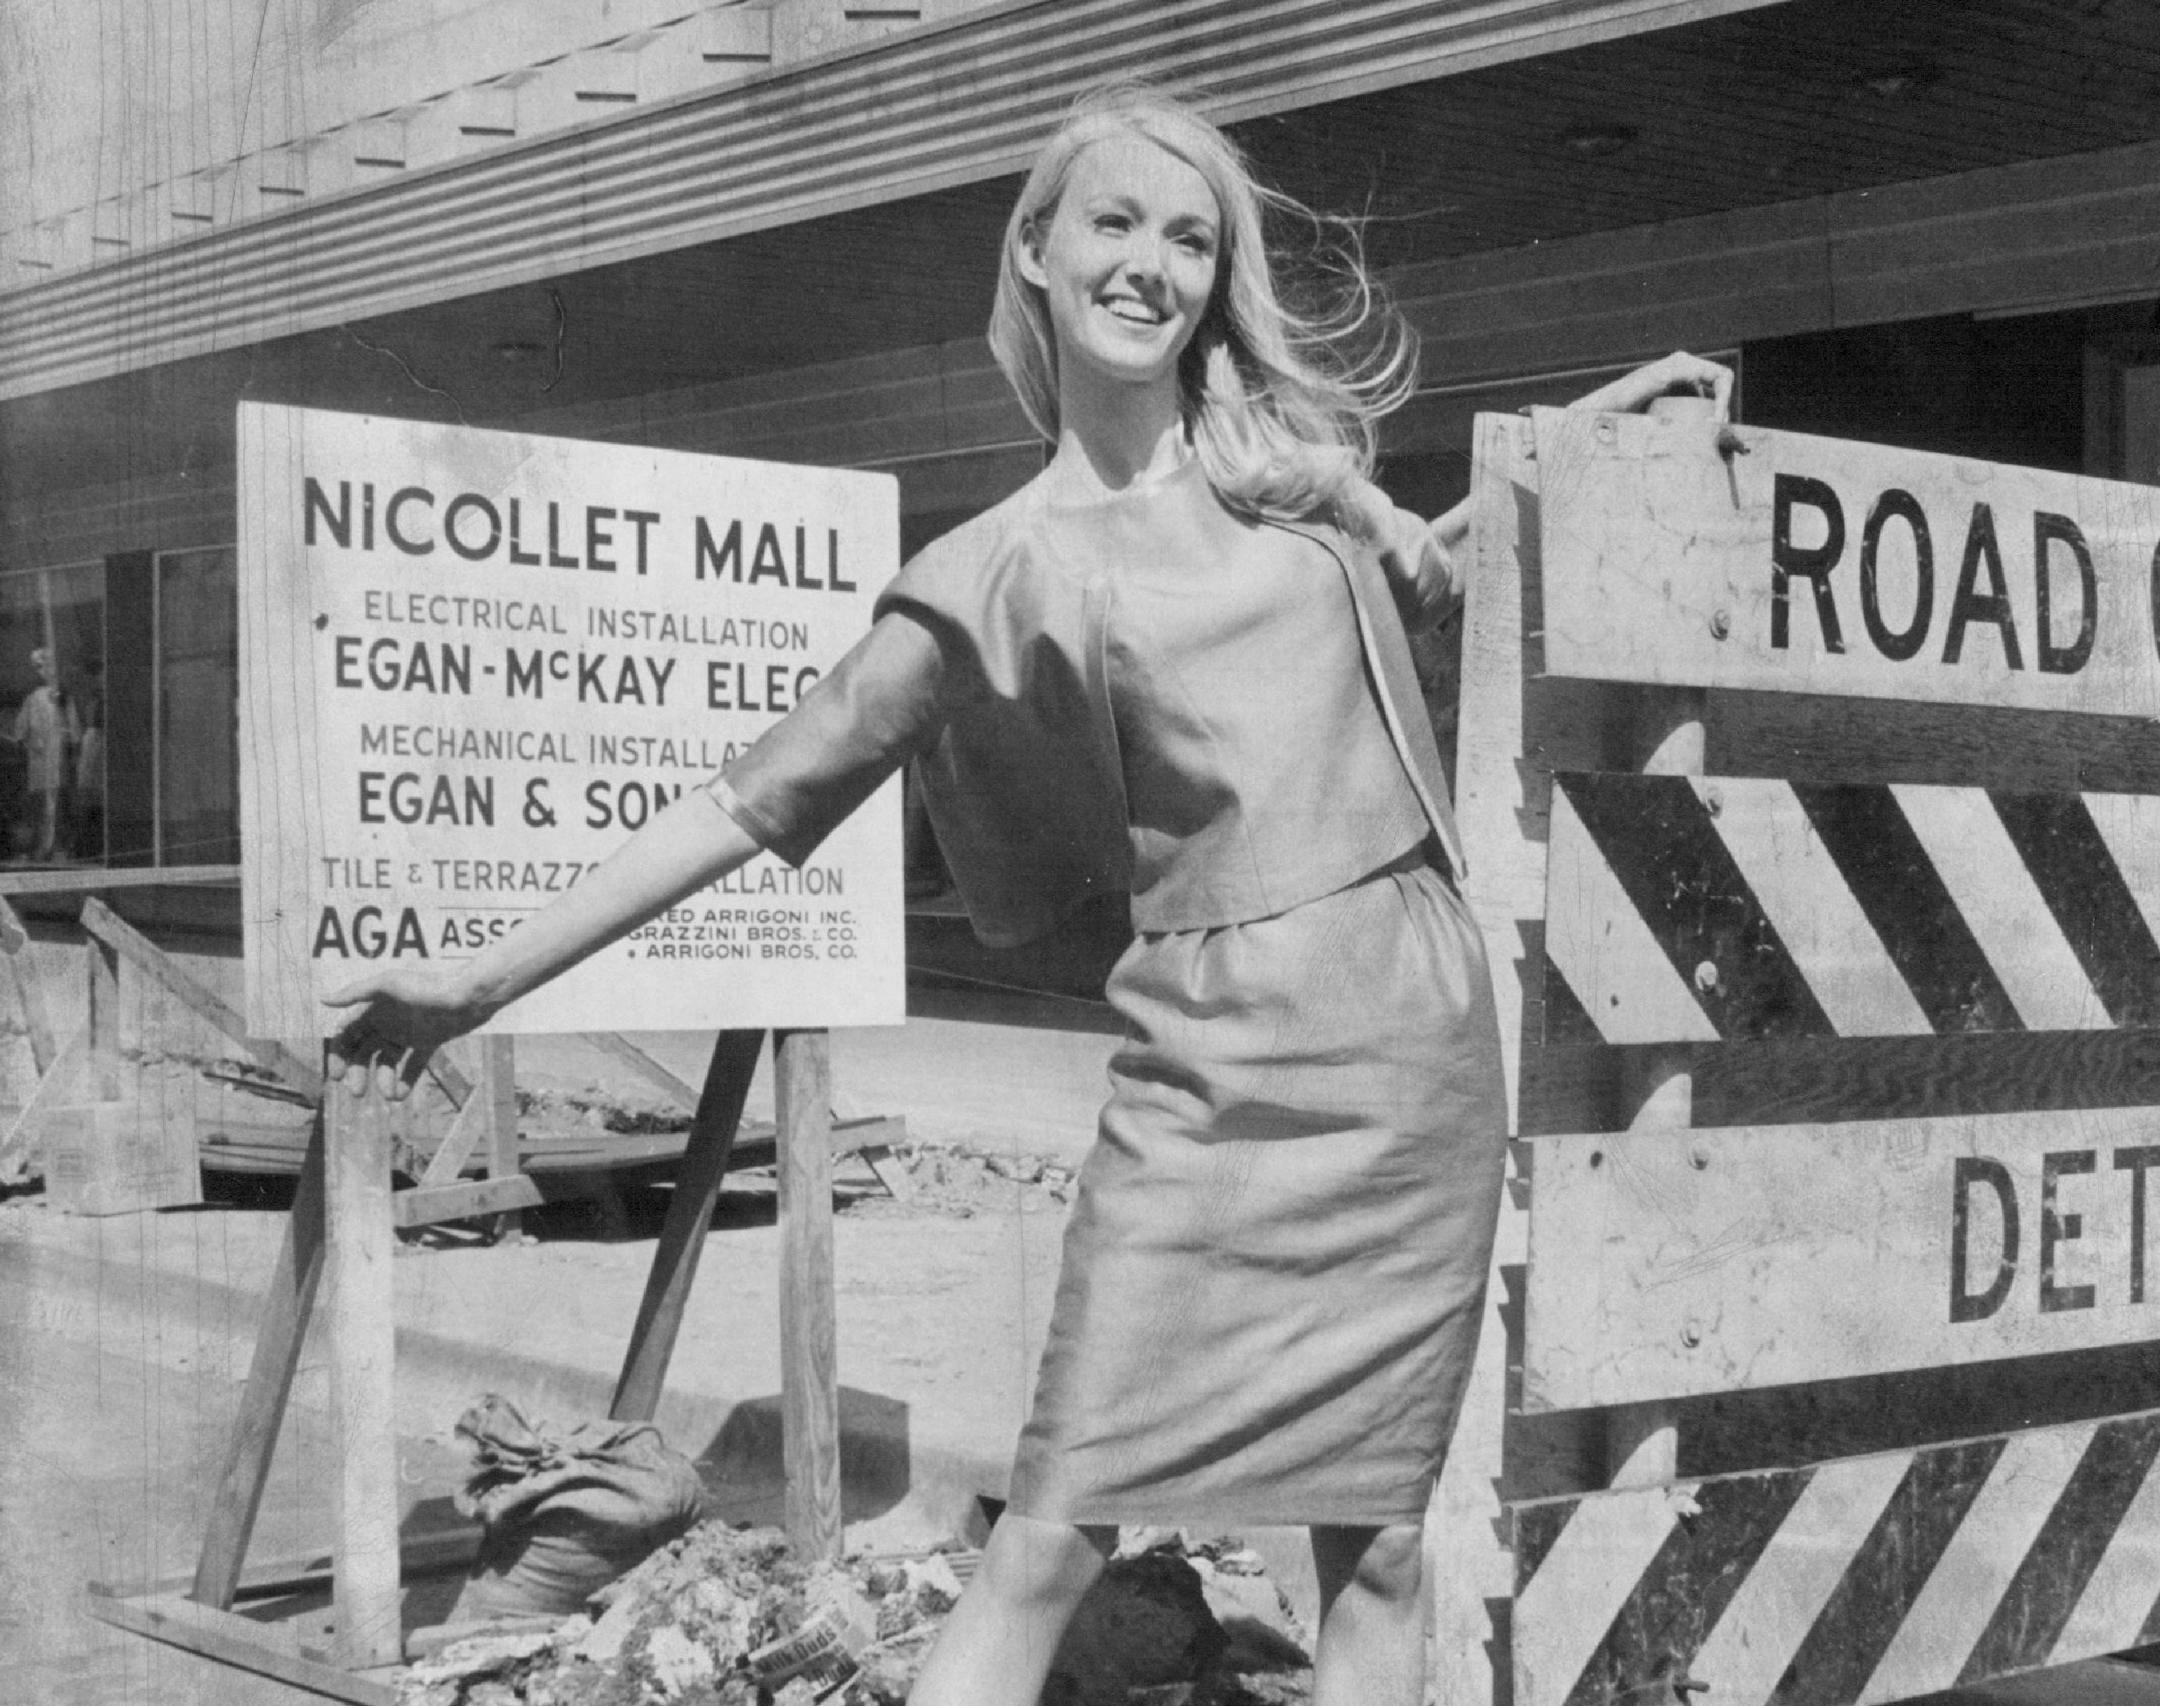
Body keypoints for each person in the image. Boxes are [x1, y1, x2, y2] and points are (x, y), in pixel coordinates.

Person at [326, 84, 1731, 1706]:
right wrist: (484, 978)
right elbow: (749, 798)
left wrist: (1562, 460)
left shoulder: (1295, 480)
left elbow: (1441, 610)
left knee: (1385, 1544)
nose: (1155, 262)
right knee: (1049, 1540)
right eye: (1118, 222)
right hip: (1217, 1072)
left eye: (1192, 237)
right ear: (1039, 251)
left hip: (1419, 1046)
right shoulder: (993, 570)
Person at [5, 646, 78, 862]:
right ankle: (39, 847)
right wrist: (30, 743)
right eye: (40, 666)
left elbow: (74, 733)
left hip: (59, 763)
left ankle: (59, 848)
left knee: (59, 805)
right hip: (39, 766)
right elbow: (20, 732)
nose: (45, 670)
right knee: (39, 806)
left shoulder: (64, 697)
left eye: (48, 665)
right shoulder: (32, 698)